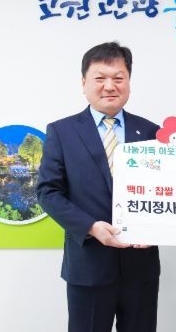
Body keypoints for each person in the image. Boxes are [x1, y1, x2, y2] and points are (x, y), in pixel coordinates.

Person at [36, 42, 160, 332]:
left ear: (129, 81)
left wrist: (156, 227)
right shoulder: (62, 131)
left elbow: (164, 191)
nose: (110, 86)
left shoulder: (151, 131)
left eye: (118, 78)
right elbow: (47, 192)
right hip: (88, 265)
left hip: (140, 267)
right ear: (84, 83)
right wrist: (90, 226)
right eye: (100, 78)